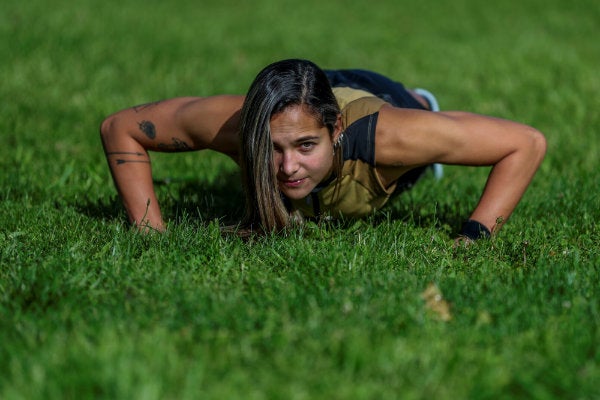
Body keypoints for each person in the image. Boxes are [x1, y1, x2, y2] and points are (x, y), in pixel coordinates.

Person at [100, 59, 546, 243]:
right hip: (310, 97)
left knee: (417, 128)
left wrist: (474, 239)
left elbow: (525, 143)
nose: (288, 167)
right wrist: (148, 232)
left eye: (305, 147)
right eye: (271, 149)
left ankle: (418, 97)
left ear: (332, 132)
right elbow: (120, 128)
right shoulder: (237, 124)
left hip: (382, 103)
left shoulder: (389, 137)